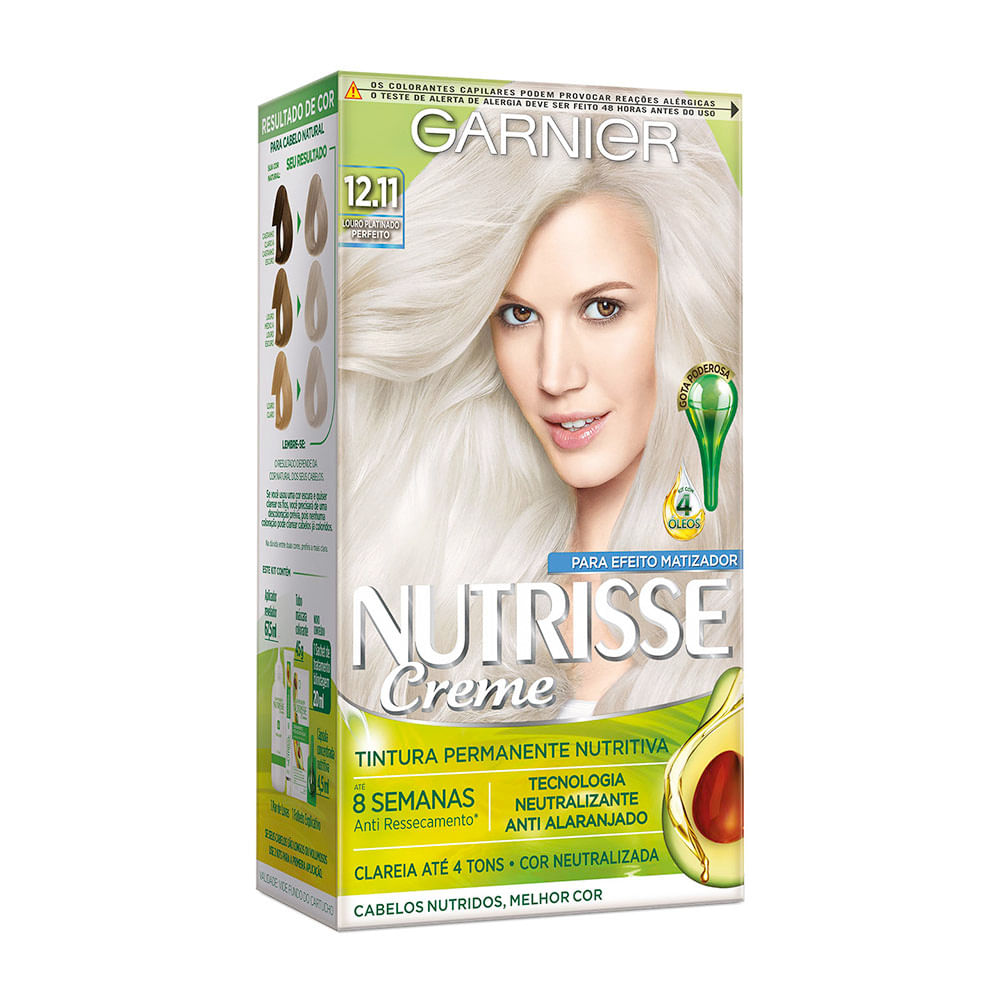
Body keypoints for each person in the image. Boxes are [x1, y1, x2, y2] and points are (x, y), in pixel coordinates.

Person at [338, 106, 741, 721]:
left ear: (690, 309)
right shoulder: (432, 587)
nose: (554, 376)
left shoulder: (739, 604)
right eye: (518, 315)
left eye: (602, 309)